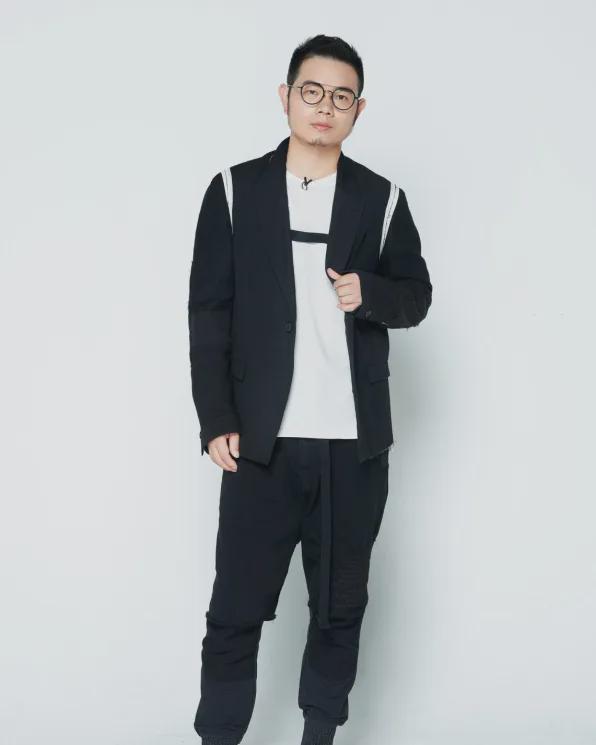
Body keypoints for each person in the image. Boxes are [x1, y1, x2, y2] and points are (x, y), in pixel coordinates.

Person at [188, 34, 432, 745]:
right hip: (260, 446)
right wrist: (216, 418)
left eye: (341, 96)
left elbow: (416, 296)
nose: (325, 106)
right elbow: (209, 312)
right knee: (234, 612)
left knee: (338, 611)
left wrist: (370, 293)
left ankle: (319, 738)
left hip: (352, 450)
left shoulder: (381, 200)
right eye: (312, 91)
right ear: (286, 96)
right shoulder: (234, 191)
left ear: (358, 110)